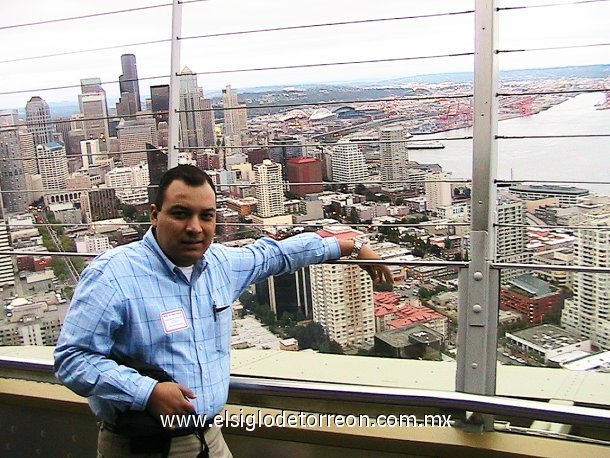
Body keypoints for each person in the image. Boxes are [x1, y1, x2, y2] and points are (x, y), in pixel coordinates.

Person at [54, 165, 393, 457]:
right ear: (154, 214)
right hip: (140, 445)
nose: (195, 228)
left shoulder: (219, 265)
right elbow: (72, 359)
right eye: (180, 213)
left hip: (209, 439)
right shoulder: (112, 274)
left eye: (207, 216)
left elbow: (275, 254)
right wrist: (147, 392)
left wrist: (350, 245)